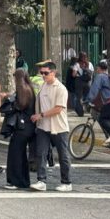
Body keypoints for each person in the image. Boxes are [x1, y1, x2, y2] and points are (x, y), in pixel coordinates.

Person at [30, 61, 72, 192]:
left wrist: (40, 115)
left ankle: (66, 182)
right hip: (43, 127)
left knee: (63, 155)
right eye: (41, 73)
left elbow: (58, 109)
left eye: (46, 73)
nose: (43, 75)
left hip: (58, 127)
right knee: (41, 153)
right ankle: (41, 180)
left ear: (53, 73)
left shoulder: (61, 88)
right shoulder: (43, 86)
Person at [4, 69, 36, 190]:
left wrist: (12, 104)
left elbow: (21, 104)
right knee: (21, 154)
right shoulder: (29, 87)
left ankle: (15, 181)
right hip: (28, 126)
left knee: (15, 154)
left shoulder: (22, 87)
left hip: (22, 127)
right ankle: (23, 181)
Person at [85, 61, 110, 146]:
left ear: (99, 68)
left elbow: (94, 90)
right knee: (109, 122)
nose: (96, 70)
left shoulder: (100, 77)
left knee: (102, 119)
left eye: (97, 68)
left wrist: (88, 100)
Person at [72, 52, 94, 117]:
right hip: (87, 82)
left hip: (79, 82)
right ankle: (88, 109)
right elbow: (92, 73)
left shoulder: (77, 64)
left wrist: (77, 73)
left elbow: (73, 75)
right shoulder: (90, 64)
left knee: (78, 98)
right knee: (87, 96)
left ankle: (80, 112)